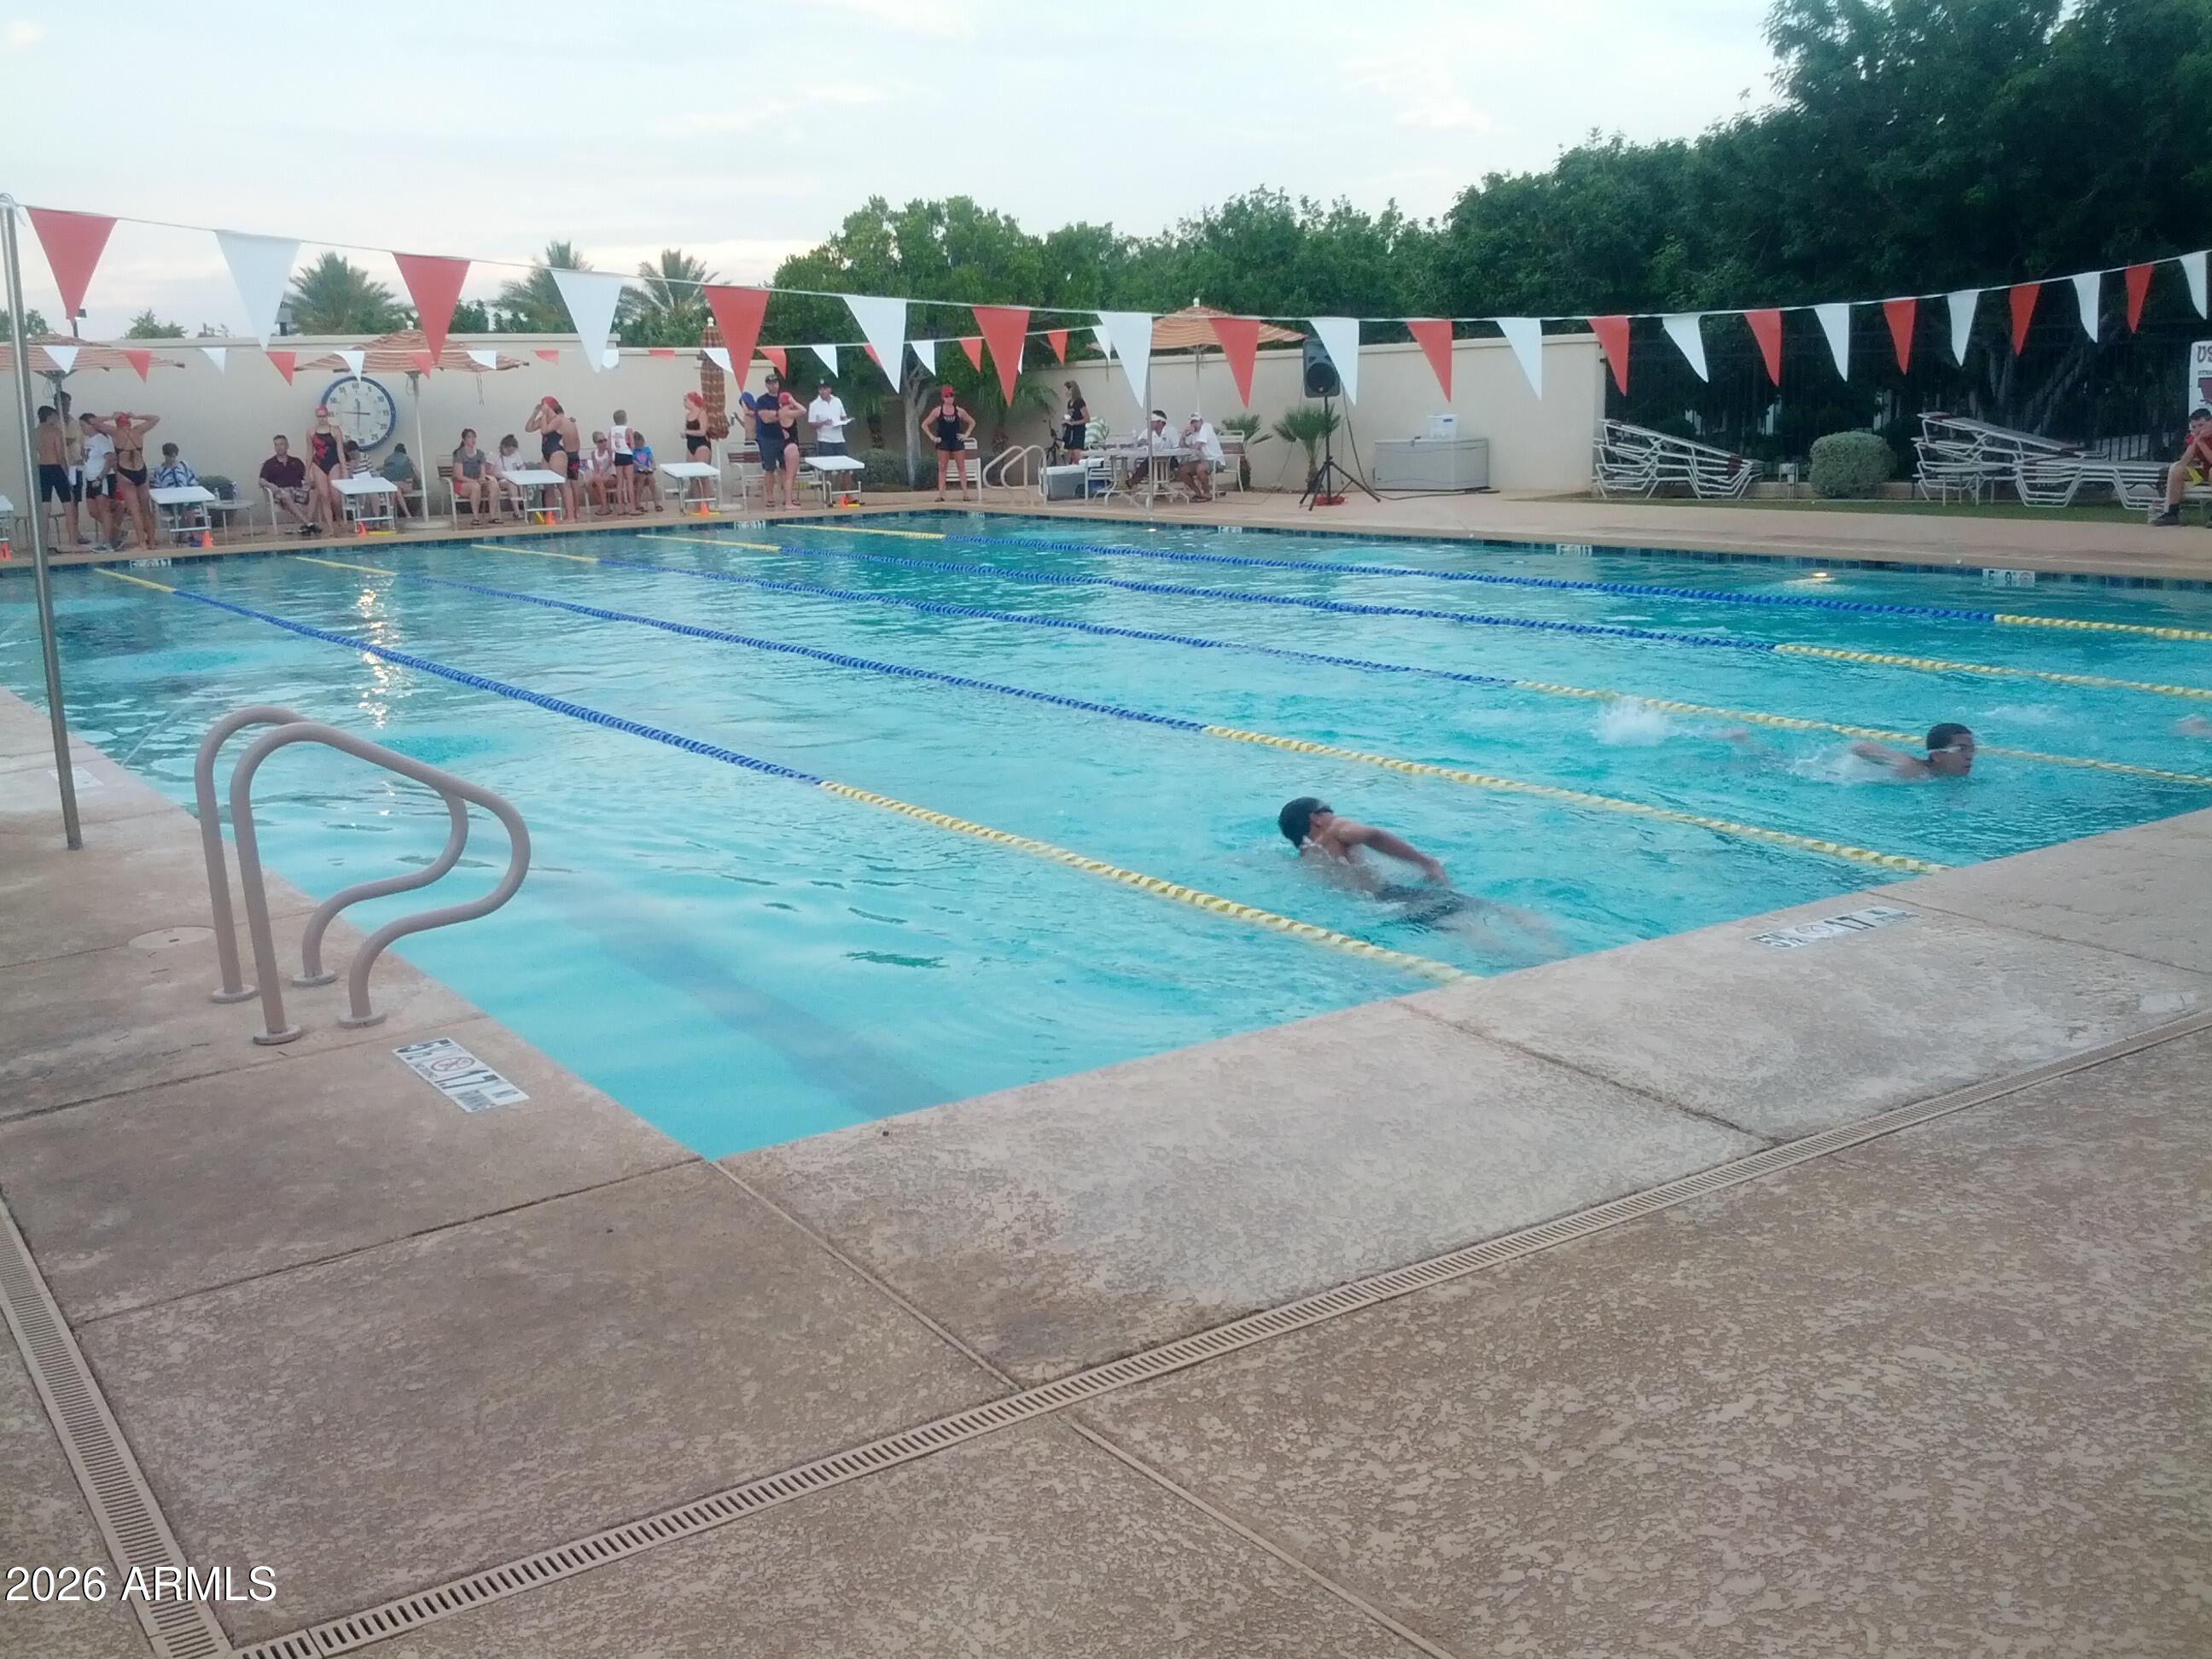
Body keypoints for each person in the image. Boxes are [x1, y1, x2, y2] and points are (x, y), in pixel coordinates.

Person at [1277, 795, 1557, 948]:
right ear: (1315, 818)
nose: (1333, 813)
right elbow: (1370, 834)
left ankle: (1520, 964)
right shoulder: (1335, 830)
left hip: (1383, 910)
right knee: (1501, 910)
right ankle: (1553, 953)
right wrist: (1426, 862)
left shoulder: (1306, 858)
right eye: (1328, 809)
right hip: (1395, 896)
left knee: (1468, 932)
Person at [742, 375, 801, 509]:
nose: (773, 385)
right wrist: (782, 415)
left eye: (775, 382)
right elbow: (765, 418)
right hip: (768, 438)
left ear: (778, 384)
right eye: (770, 383)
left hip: (784, 439)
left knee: (787, 469)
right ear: (766, 385)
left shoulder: (785, 398)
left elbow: (794, 413)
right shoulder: (762, 400)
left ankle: (788, 498)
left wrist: (777, 414)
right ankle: (770, 497)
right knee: (769, 469)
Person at [33, 405, 87, 551]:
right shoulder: (55, 432)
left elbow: (35, 452)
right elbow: (60, 455)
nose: (57, 419)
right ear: (50, 416)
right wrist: (67, 474)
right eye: (55, 417)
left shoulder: (34, 432)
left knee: (45, 508)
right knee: (68, 505)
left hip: (42, 469)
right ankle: (72, 542)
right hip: (56, 468)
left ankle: (42, 544)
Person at [1850, 722, 1976, 779]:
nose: (1969, 756)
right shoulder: (1911, 767)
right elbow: (1859, 746)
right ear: (1937, 755)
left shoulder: (1949, 778)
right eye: (1961, 749)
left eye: (1972, 750)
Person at [2152, 407, 2212, 526]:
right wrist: (2195, 442)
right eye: (2194, 427)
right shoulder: (2196, 437)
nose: (2198, 430)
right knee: (2177, 470)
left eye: (2201, 425)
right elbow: (2184, 461)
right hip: (2205, 473)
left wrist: (2200, 442)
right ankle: (2172, 513)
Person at [526, 397, 579, 519]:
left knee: (562, 485)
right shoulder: (543, 419)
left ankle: (570, 516)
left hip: (557, 454)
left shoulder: (558, 420)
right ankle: (550, 517)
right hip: (546, 454)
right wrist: (534, 413)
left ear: (549, 406)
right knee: (548, 486)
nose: (541, 406)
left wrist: (544, 414)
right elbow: (528, 428)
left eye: (543, 404)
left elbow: (545, 431)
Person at [259, 434, 323, 536]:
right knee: (285, 495)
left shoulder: (296, 461)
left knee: (314, 492)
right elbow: (261, 481)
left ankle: (308, 524)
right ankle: (309, 524)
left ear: (287, 446)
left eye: (281, 444)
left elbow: (306, 478)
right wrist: (271, 486)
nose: (279, 447)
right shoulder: (269, 464)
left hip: (297, 490)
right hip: (280, 491)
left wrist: (311, 483)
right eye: (276, 445)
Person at [927, 384, 977, 502]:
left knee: (961, 467)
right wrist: (933, 437)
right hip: (943, 442)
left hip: (956, 442)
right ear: (943, 398)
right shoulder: (937, 411)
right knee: (942, 467)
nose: (950, 398)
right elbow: (925, 424)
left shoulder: (959, 411)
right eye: (947, 396)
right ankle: (941, 495)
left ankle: (965, 494)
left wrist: (966, 435)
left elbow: (972, 422)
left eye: (952, 396)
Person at [78, 412, 118, 550]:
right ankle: (115, 530)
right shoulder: (88, 440)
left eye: (83, 425)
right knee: (93, 511)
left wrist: (100, 478)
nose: (81, 428)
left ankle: (107, 541)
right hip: (90, 478)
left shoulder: (102, 439)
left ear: (91, 425)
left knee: (104, 510)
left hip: (102, 478)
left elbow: (110, 460)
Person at [303, 405, 346, 527]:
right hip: (318, 464)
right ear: (317, 417)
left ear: (327, 416)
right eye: (319, 416)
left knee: (336, 496)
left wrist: (344, 469)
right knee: (324, 495)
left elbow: (340, 452)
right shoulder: (311, 432)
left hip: (333, 463)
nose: (322, 419)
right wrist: (307, 472)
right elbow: (310, 452)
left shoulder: (335, 431)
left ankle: (338, 516)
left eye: (324, 416)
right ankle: (330, 526)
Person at [451, 428, 499, 521]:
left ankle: (492, 516)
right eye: (469, 437)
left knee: (493, 482)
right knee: (475, 486)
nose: (473, 439)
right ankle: (476, 518)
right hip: (462, 484)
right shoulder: (459, 454)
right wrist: (476, 481)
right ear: (464, 440)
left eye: (474, 437)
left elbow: (483, 472)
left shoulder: (480, 454)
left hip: (477, 481)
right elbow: (459, 476)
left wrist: (482, 479)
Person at [1179, 411, 1224, 502]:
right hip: (1202, 460)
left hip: (1215, 460)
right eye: (1192, 422)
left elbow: (1196, 446)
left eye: (1196, 421)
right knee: (1183, 471)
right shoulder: (1193, 433)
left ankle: (1207, 493)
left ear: (1201, 421)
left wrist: (1189, 446)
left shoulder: (1206, 427)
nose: (1194, 424)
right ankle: (1197, 492)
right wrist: (1184, 434)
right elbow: (1181, 446)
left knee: (1200, 468)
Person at [495, 433, 537, 517]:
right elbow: (492, 472)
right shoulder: (496, 456)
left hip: (516, 478)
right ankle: (517, 511)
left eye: (512, 451)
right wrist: (507, 476)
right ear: (503, 447)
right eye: (509, 450)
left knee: (523, 484)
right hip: (503, 479)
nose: (510, 453)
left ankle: (527, 505)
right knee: (512, 484)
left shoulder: (516, 455)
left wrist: (520, 473)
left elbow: (522, 467)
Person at [807, 378, 852, 457]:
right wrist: (823, 423)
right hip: (825, 441)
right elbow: (811, 425)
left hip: (839, 439)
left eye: (824, 389)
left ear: (830, 389)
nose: (822, 392)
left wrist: (845, 421)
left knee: (844, 465)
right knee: (828, 466)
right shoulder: (814, 404)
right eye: (820, 389)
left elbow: (843, 416)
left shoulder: (837, 401)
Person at [579, 430, 618, 515]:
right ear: (596, 443)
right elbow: (596, 469)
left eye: (605, 440)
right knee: (592, 484)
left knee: (593, 481)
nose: (604, 443)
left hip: (612, 476)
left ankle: (604, 507)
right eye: (600, 441)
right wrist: (597, 476)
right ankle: (604, 505)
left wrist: (596, 477)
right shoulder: (594, 454)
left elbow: (608, 464)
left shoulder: (609, 451)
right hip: (600, 477)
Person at [379, 442, 419, 519]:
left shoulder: (408, 462)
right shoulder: (403, 461)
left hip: (407, 486)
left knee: (394, 487)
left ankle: (390, 512)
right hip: (398, 488)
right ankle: (407, 514)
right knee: (397, 490)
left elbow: (418, 476)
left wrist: (412, 465)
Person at [628, 428, 660, 514]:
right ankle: (637, 502)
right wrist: (641, 466)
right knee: (642, 477)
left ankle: (656, 503)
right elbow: (633, 462)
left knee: (651, 479)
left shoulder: (647, 449)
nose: (639, 446)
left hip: (646, 472)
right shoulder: (632, 452)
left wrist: (652, 466)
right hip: (636, 473)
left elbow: (652, 460)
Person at [609, 407, 635, 513]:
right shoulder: (628, 430)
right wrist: (630, 447)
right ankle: (632, 508)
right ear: (625, 419)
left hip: (618, 455)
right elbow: (632, 445)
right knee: (629, 482)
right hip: (627, 455)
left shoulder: (612, 430)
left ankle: (620, 508)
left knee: (620, 483)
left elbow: (609, 446)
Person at [1060, 380, 1089, 463]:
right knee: (1072, 455)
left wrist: (1074, 423)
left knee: (1077, 454)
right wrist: (1066, 420)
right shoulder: (1069, 403)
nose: (1066, 392)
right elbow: (1071, 415)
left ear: (1072, 390)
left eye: (1067, 390)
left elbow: (1087, 419)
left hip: (1078, 431)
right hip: (1071, 432)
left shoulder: (1080, 402)